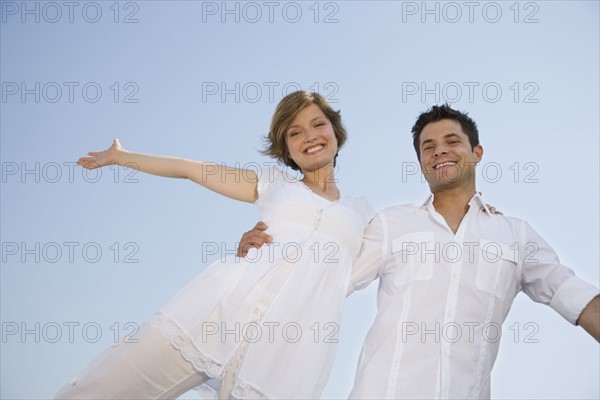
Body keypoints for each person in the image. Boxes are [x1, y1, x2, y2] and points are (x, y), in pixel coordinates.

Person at [238, 104, 600, 399]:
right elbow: (320, 279)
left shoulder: (516, 236)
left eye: (451, 141)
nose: (439, 149)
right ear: (422, 162)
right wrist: (268, 251)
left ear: (476, 152)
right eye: (428, 146)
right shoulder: (391, 225)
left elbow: (575, 296)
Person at [55, 91, 373, 399]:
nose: (310, 136)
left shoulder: (362, 214)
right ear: (286, 149)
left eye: (318, 124)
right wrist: (123, 158)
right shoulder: (275, 184)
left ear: (335, 131)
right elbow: (189, 170)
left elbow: (395, 254)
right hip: (214, 311)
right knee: (105, 387)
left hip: (282, 353)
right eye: (295, 132)